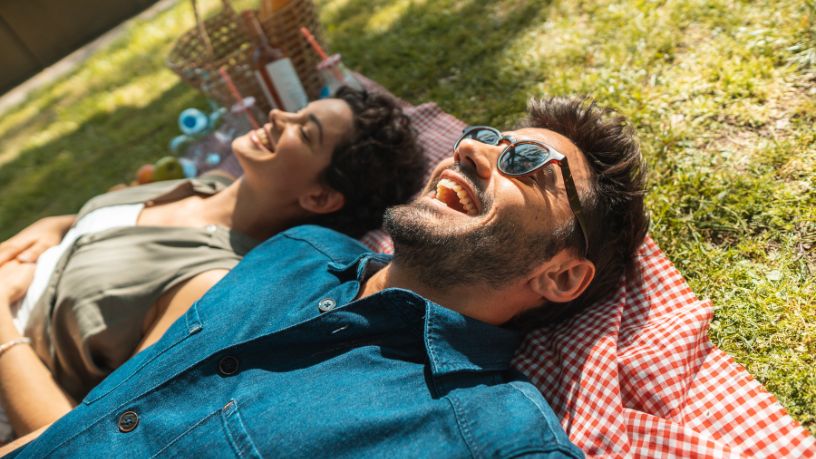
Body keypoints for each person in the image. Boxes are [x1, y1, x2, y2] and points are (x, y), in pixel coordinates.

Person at [1, 95, 648, 458]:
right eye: (485, 134)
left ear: (562, 276)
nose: (472, 148)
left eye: (527, 161)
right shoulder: (297, 252)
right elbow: (102, 417)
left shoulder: (493, 437)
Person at [0, 86, 425, 441]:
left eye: (305, 131)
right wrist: (55, 225)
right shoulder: (207, 186)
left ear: (319, 198)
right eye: (297, 111)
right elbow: (102, 229)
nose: (278, 115)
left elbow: (77, 439)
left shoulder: (211, 283)